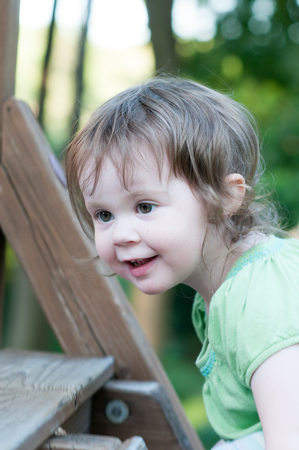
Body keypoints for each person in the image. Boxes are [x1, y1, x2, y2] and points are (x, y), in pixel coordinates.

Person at [65, 77, 299, 449]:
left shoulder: (260, 297)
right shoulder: (228, 289)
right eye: (104, 214)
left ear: (223, 197)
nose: (120, 233)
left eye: (144, 206)